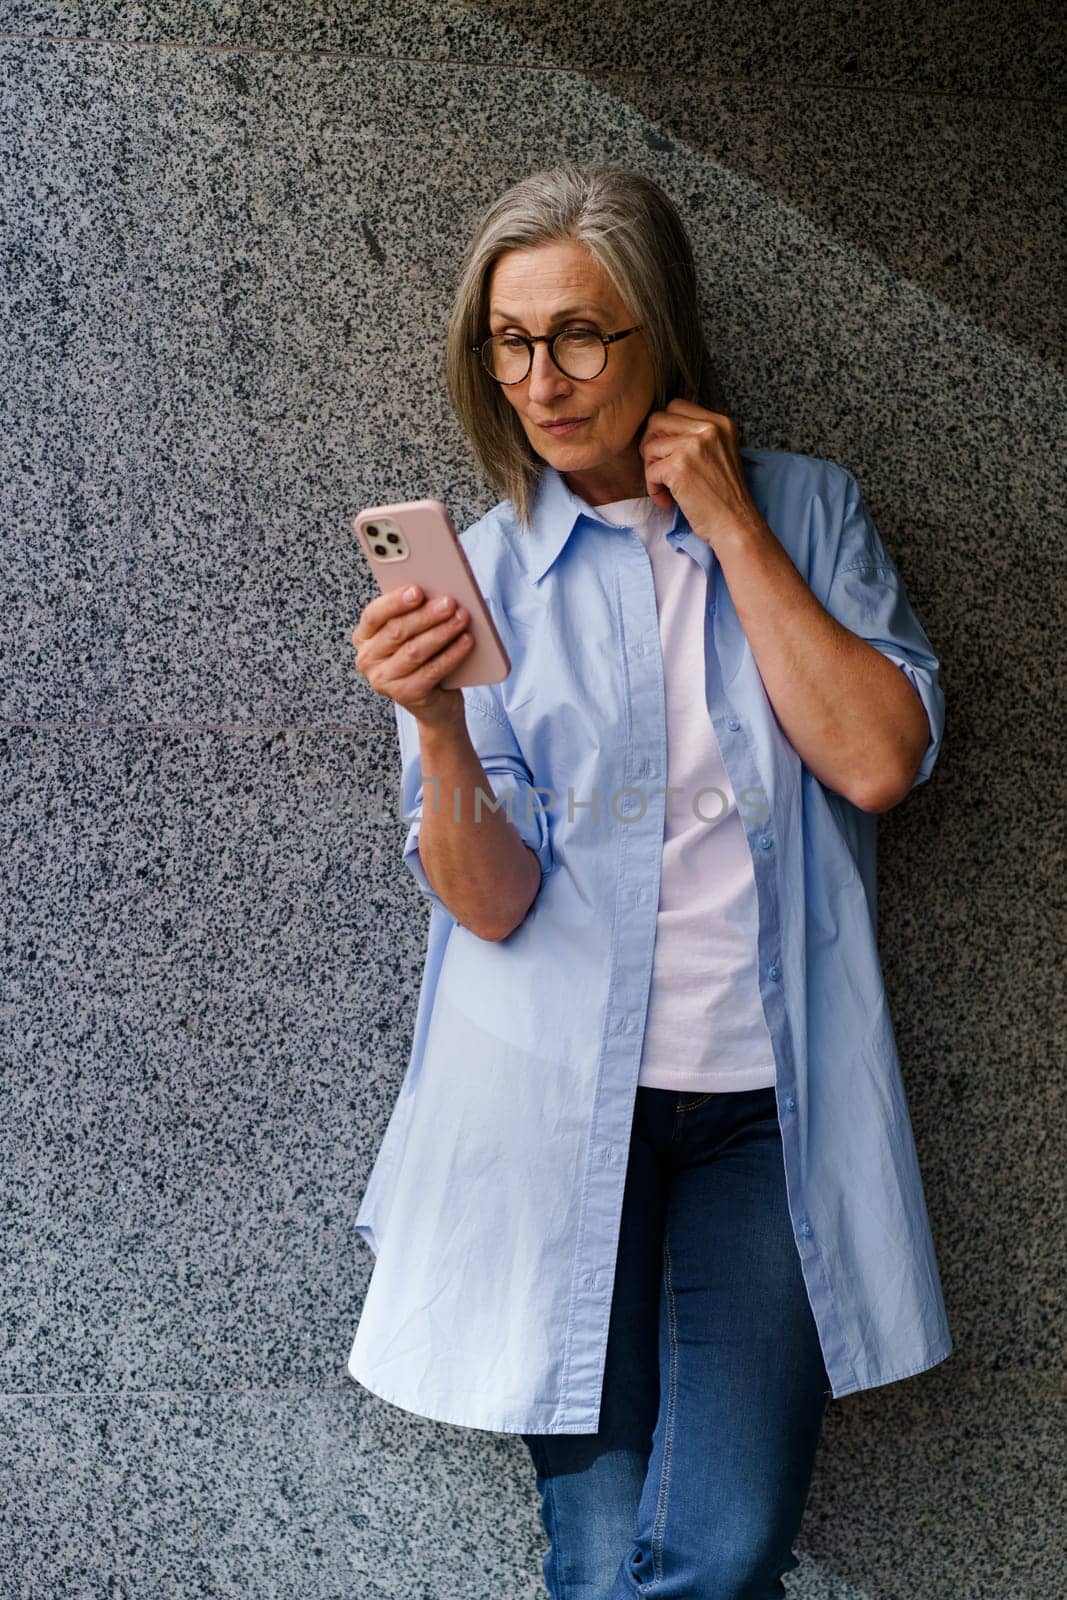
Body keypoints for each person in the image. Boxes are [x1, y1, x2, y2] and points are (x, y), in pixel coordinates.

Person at [346, 161, 953, 1599]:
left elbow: (877, 762)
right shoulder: (477, 574)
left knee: (723, 1547)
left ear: (659, 337)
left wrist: (730, 529)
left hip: (763, 1120)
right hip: (557, 1121)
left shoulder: (808, 514)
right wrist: (435, 723)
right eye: (510, 340)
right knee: (604, 1554)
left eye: (579, 335)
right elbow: (488, 901)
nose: (540, 381)